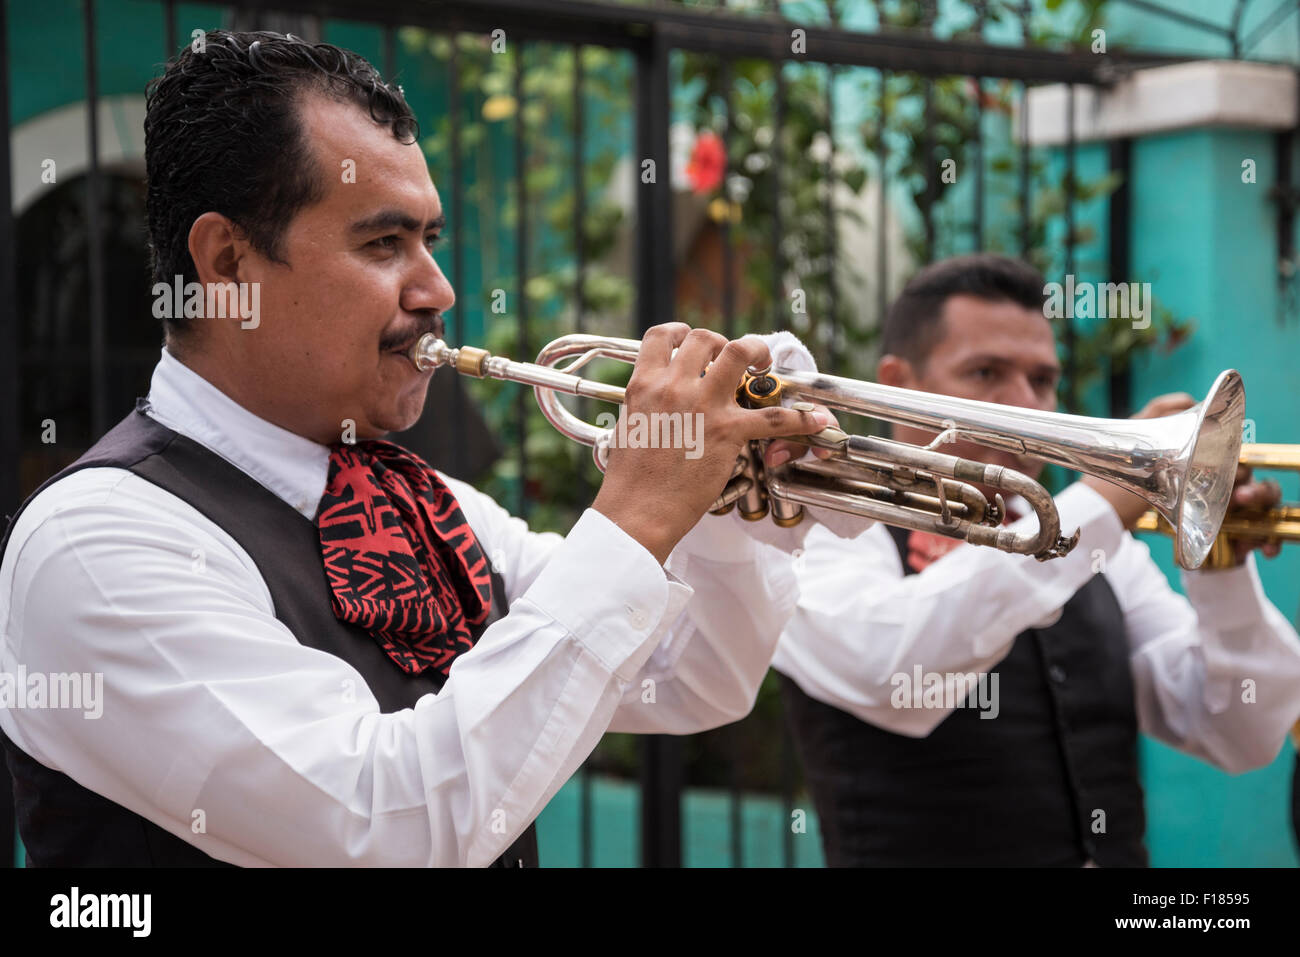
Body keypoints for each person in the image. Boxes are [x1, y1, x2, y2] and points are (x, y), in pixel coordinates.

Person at [0, 31, 837, 868]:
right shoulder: (96, 540)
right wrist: (638, 511)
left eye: (431, 239)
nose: (438, 289)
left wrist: (732, 501)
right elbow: (381, 826)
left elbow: (693, 677)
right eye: (382, 244)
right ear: (227, 263)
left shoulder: (424, 499)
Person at [774, 253, 1300, 867]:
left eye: (1043, 380)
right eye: (987, 372)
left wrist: (1222, 573)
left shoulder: (1102, 543)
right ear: (899, 383)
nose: (1027, 404)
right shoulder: (817, 530)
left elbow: (1242, 734)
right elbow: (893, 673)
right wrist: (1118, 489)